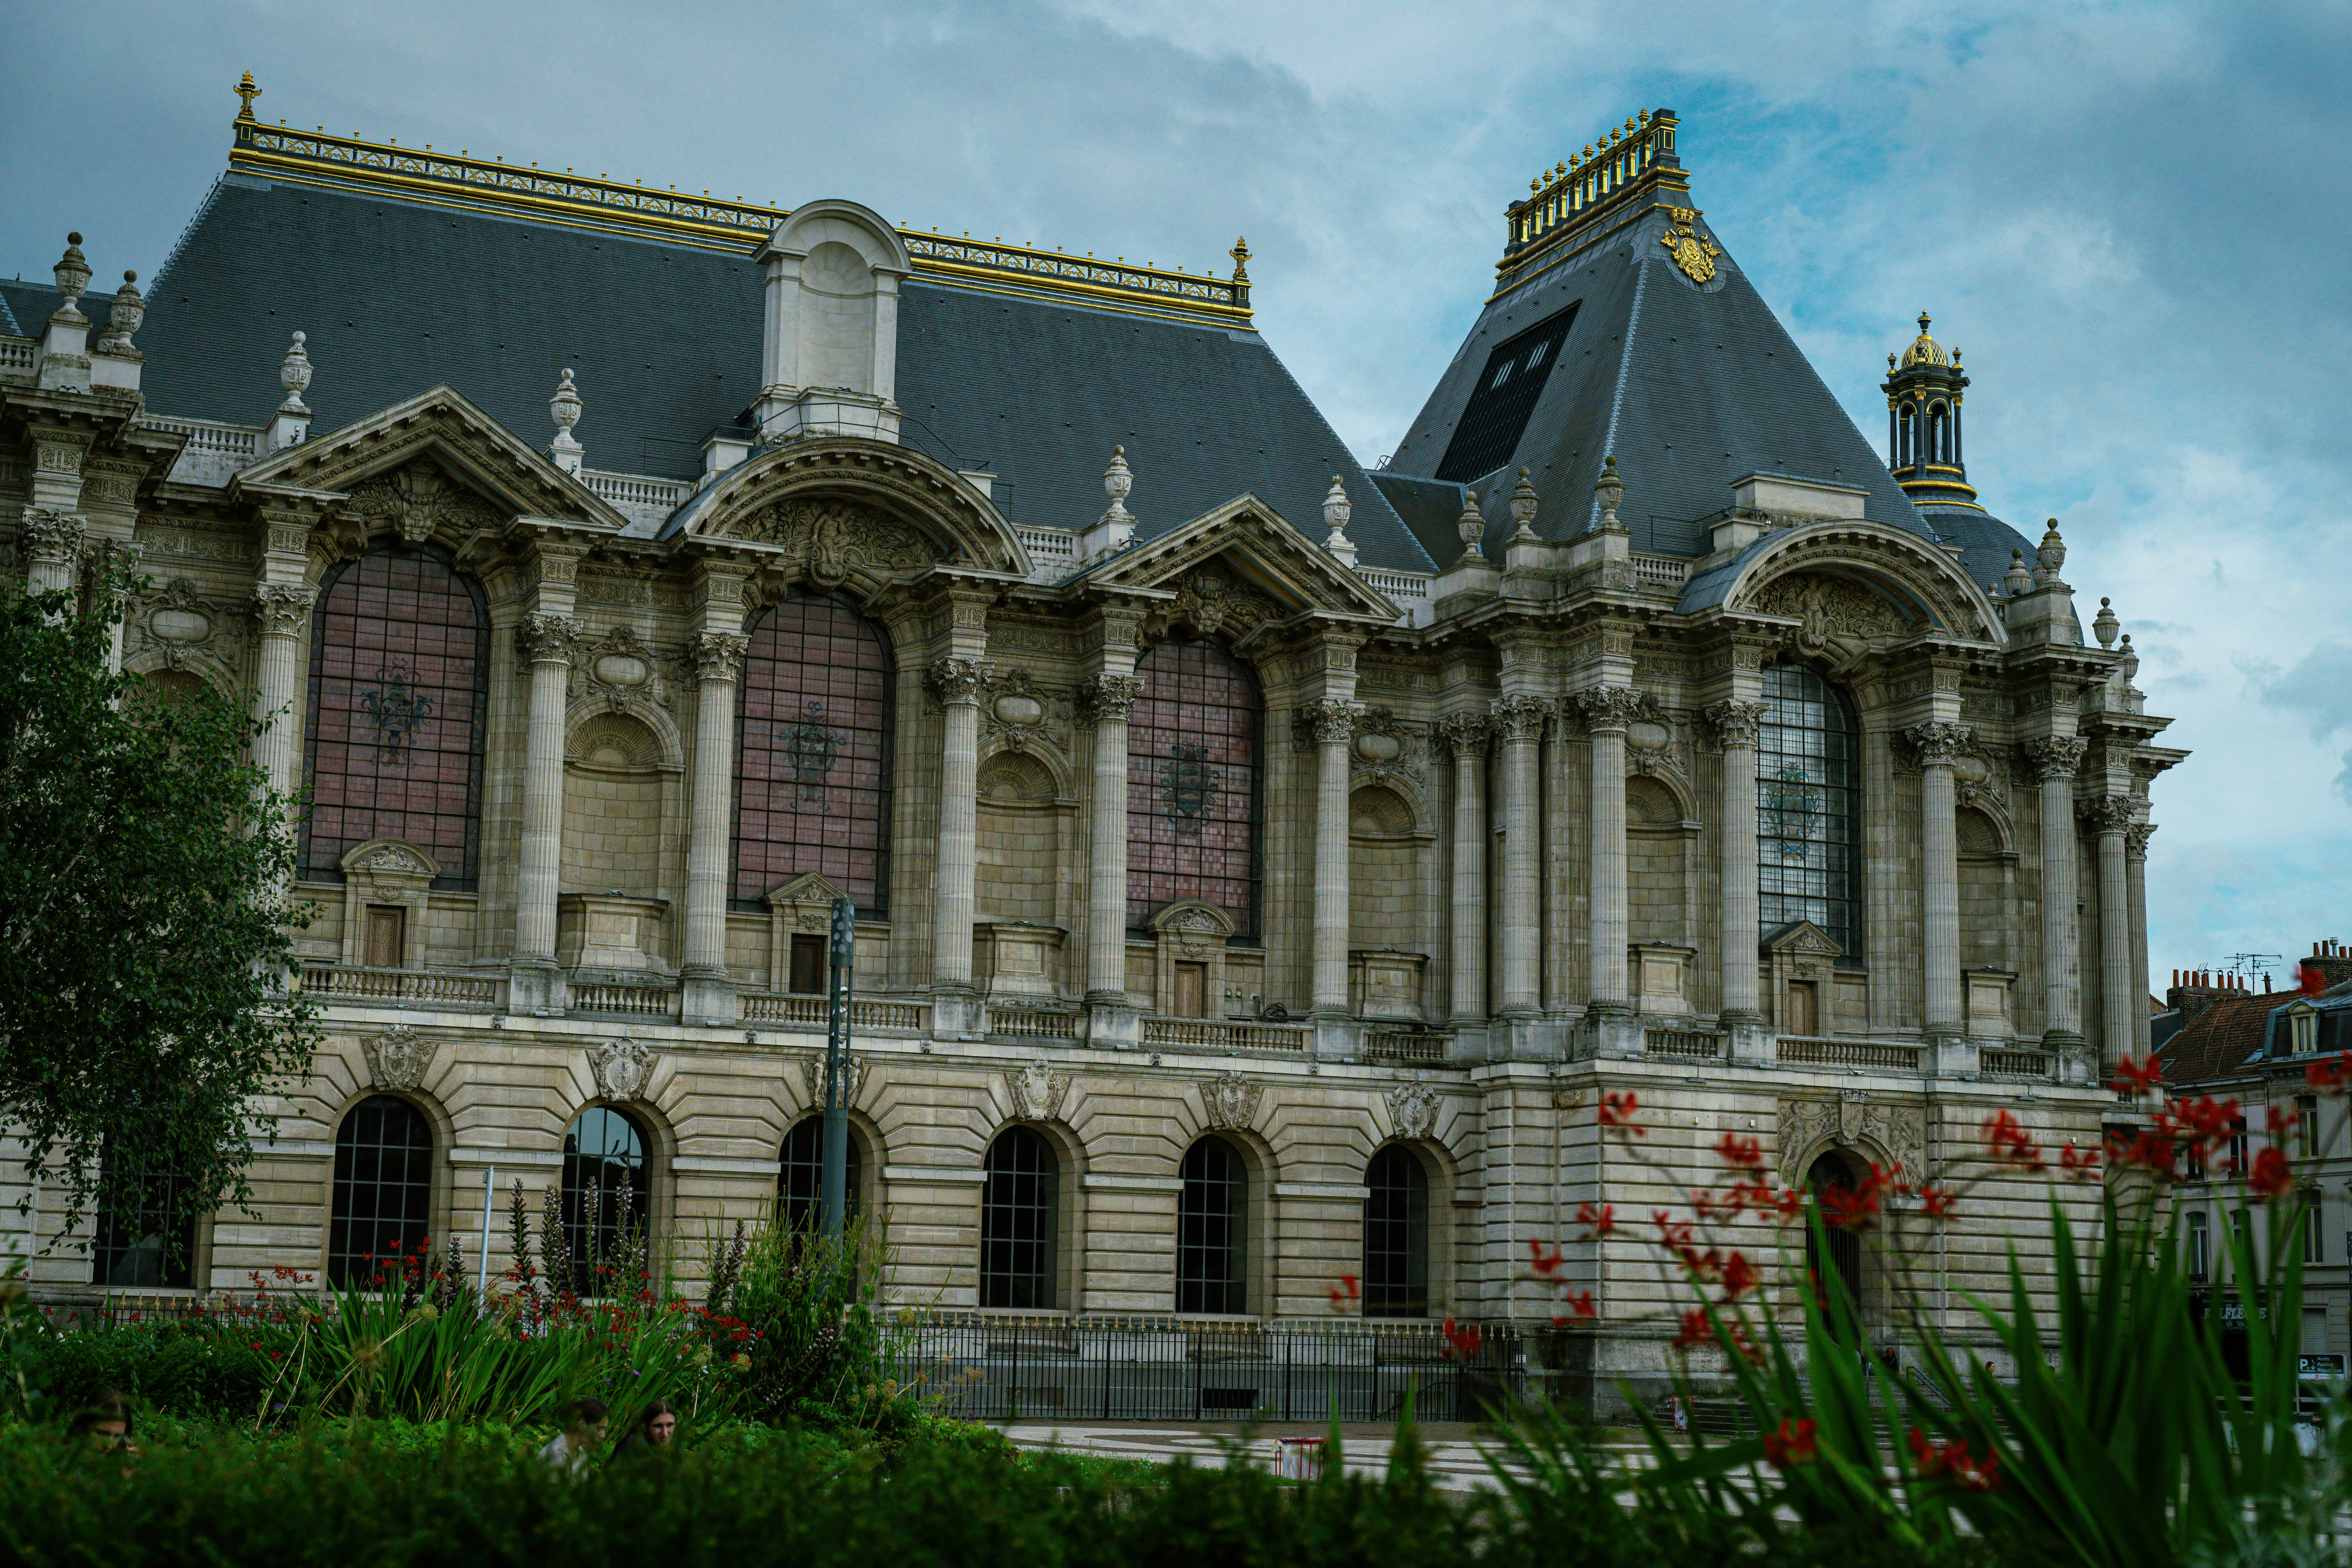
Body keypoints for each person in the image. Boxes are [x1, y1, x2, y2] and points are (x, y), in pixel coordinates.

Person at [537, 1396, 610, 1475]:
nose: (603, 1436)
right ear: (582, 1424)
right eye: (600, 1428)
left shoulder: (581, 1454)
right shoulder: (559, 1454)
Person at [608, 1399, 679, 1461]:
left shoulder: (673, 1448)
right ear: (645, 1426)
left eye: (670, 1425)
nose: (665, 1433)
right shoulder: (637, 1446)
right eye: (658, 1426)